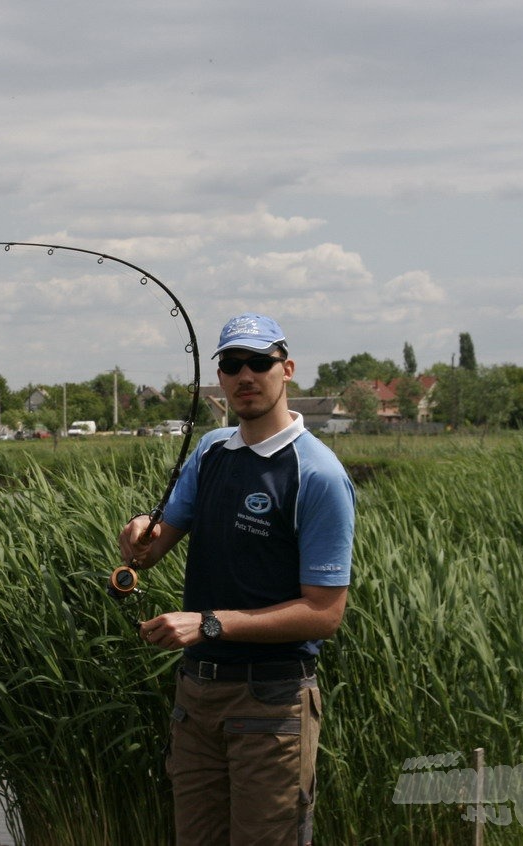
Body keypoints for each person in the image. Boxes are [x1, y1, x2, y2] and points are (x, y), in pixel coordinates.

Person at [118, 313, 355, 846]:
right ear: (219, 376)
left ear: (287, 369)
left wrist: (210, 624)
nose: (245, 375)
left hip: (271, 702)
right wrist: (137, 537)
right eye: (231, 364)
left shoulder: (316, 473)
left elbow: (325, 612)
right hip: (196, 697)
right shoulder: (211, 450)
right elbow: (153, 547)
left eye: (259, 362)